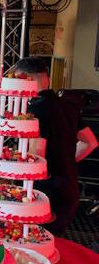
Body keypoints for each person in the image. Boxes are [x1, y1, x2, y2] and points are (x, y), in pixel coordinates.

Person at [15, 57, 98, 236]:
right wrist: (66, 160)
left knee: (35, 244)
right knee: (54, 243)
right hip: (69, 188)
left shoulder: (34, 110)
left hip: (45, 192)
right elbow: (90, 142)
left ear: (25, 79)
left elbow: (36, 153)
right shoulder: (68, 106)